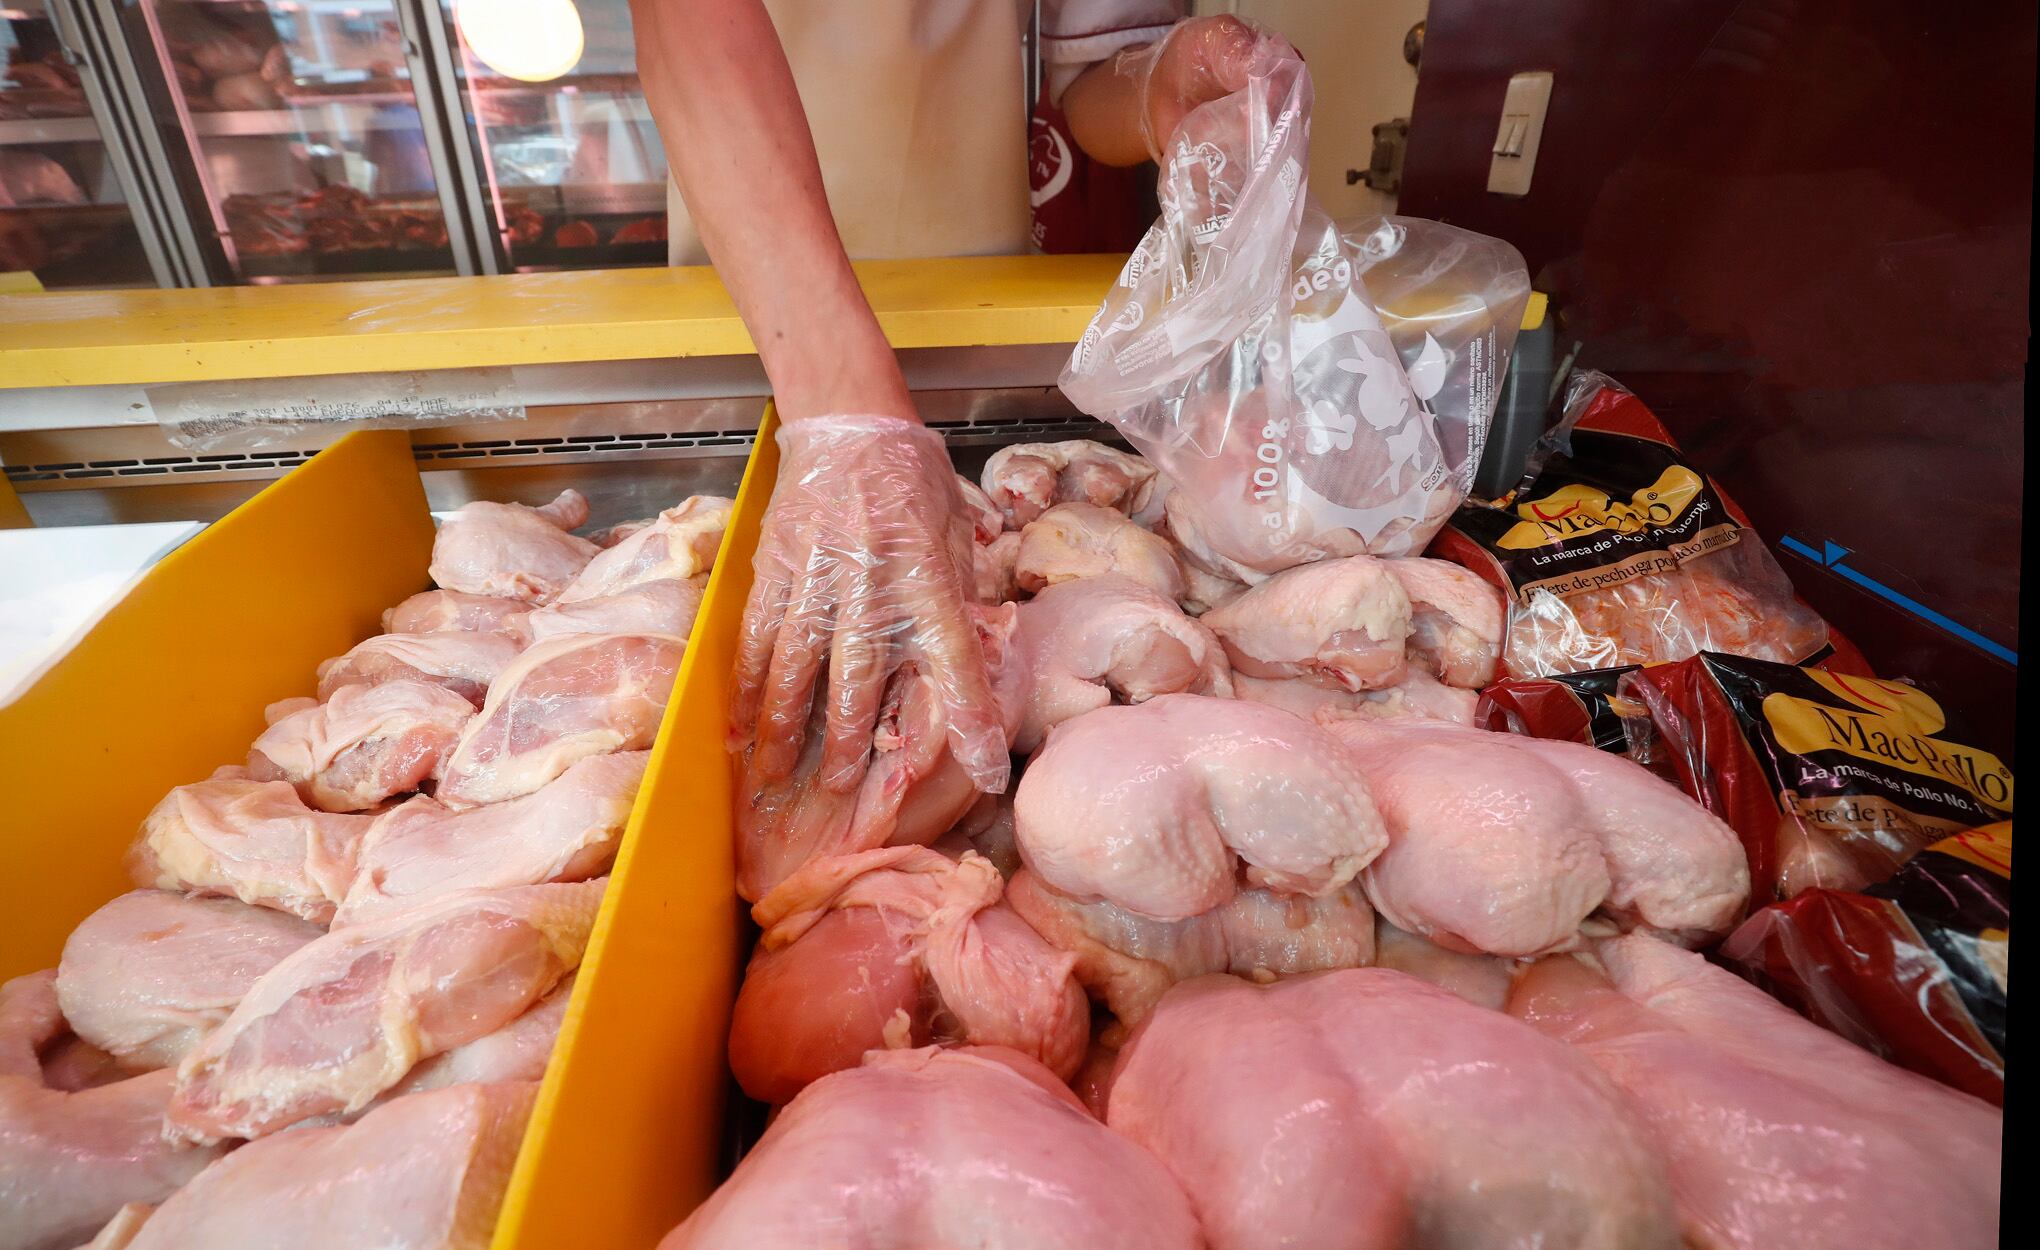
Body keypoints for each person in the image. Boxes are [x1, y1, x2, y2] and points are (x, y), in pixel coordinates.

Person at [627, 0, 1267, 803]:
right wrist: (843, 415)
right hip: (752, 273)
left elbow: (1093, 85)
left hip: (971, 291)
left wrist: (1156, 84)